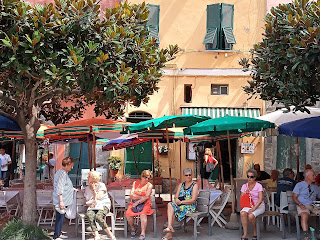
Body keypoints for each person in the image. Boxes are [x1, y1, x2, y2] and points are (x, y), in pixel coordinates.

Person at [162, 168, 199, 240]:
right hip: (181, 205)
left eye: (189, 175)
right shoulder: (181, 184)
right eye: (186, 175)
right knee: (170, 205)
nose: (188, 176)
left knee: (172, 209)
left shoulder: (194, 185)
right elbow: (176, 196)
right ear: (184, 176)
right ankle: (169, 227)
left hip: (189, 206)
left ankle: (169, 233)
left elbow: (193, 200)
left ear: (192, 175)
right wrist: (176, 199)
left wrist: (181, 202)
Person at [84, 171, 116, 240]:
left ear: (93, 178)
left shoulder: (101, 185)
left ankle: (110, 235)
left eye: (89, 176)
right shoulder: (86, 188)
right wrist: (89, 204)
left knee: (98, 217)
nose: (87, 178)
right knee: (90, 215)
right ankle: (96, 234)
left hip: (103, 205)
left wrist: (94, 189)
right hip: (92, 207)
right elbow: (86, 200)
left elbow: (98, 197)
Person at [126, 170, 153, 240]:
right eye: (145, 177)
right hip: (134, 202)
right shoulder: (135, 183)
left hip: (145, 203)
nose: (147, 179)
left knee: (143, 214)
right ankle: (133, 228)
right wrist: (140, 197)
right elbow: (131, 195)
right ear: (142, 176)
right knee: (128, 214)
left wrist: (137, 202)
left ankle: (143, 232)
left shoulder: (149, 185)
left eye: (149, 178)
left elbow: (147, 197)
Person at [293, 169, 320, 240]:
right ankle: (306, 236)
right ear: (307, 176)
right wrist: (300, 204)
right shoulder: (299, 185)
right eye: (313, 175)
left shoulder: (316, 187)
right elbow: (294, 197)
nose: (315, 177)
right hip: (303, 205)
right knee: (304, 215)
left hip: (313, 205)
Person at [53, 157, 75, 240]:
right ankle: (56, 236)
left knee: (60, 217)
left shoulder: (61, 172)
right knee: (60, 218)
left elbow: (65, 185)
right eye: (71, 165)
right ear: (67, 165)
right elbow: (59, 187)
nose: (72, 167)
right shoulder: (62, 174)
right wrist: (61, 201)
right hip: (61, 200)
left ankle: (58, 234)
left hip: (62, 199)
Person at [240, 169, 265, 240]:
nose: (249, 178)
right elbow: (242, 198)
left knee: (251, 216)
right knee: (243, 213)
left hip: (259, 206)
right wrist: (246, 194)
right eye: (248, 176)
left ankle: (254, 231)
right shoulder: (244, 186)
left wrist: (254, 208)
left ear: (255, 177)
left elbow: (260, 199)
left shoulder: (259, 186)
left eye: (251, 177)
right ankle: (245, 234)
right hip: (248, 205)